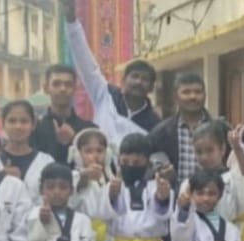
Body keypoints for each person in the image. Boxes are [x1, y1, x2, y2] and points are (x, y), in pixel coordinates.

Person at [63, 0, 160, 144]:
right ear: (123, 81)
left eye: (145, 79)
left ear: (151, 88)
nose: (139, 82)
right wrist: (71, 21)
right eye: (134, 76)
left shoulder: (155, 125)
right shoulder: (106, 95)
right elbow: (85, 62)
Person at [148, 73, 212, 185]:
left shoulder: (220, 130)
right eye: (186, 92)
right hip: (173, 194)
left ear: (205, 95)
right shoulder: (160, 133)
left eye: (198, 92)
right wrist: (163, 174)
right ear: (175, 97)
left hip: (211, 194)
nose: (193, 96)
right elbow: (148, 170)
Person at [31, 64, 97, 166]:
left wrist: (75, 140)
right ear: (46, 88)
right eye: (56, 84)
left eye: (68, 84)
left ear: (75, 89)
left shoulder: (89, 130)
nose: (63, 89)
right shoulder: (36, 130)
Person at [0, 100, 56, 204]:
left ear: (33, 125)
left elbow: (53, 197)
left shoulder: (46, 162)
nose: (18, 126)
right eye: (12, 121)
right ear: (3, 124)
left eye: (24, 121)